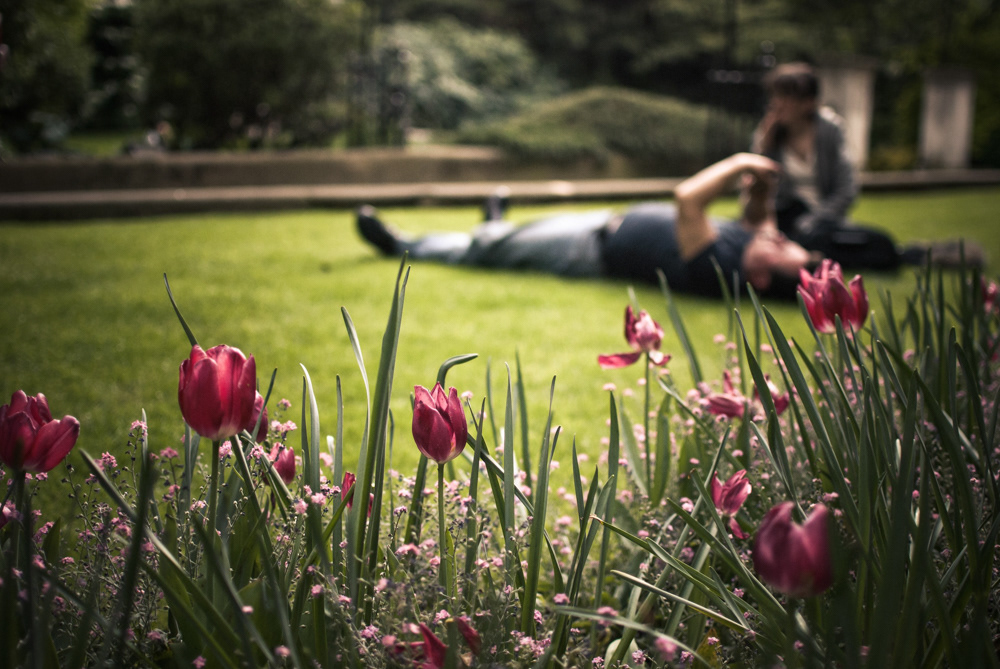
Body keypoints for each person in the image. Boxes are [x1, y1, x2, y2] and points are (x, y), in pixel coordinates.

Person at [357, 152, 817, 299]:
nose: (777, 237)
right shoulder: (748, 244)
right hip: (601, 223)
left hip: (587, 251)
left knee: (483, 254)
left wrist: (739, 163)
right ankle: (495, 224)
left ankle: (401, 244)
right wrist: (762, 184)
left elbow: (689, 200)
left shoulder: (718, 270)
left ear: (759, 278)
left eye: (780, 249)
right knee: (507, 241)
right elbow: (760, 214)